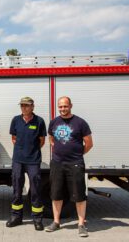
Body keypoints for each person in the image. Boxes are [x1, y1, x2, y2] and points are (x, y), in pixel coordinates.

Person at [45, 96, 93, 237]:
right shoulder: (54, 122)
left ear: (71, 106)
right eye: (60, 106)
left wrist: (78, 154)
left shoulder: (80, 123)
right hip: (57, 163)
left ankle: (81, 224)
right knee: (56, 193)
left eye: (65, 106)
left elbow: (89, 143)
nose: (62, 109)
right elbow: (51, 138)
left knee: (79, 195)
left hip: (75, 163)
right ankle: (56, 222)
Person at [6, 97, 46, 231]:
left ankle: (37, 219)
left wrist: (31, 151)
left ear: (33, 107)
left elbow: (42, 141)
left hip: (33, 160)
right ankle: (16, 217)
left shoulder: (39, 121)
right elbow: (14, 138)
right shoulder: (16, 120)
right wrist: (22, 150)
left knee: (35, 189)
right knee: (17, 188)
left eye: (27, 105)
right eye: (22, 105)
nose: (24, 108)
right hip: (18, 160)